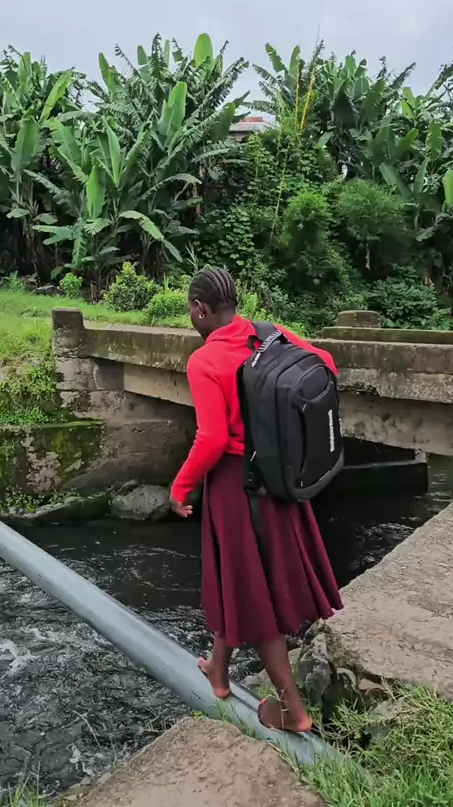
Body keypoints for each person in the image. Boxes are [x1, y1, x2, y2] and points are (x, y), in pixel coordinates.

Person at [169, 268, 342, 733]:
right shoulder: (269, 334)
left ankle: (293, 712)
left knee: (257, 598)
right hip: (279, 480)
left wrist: (180, 487)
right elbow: (325, 364)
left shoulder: (204, 361)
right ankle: (218, 672)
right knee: (237, 579)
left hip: (236, 487)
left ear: (200, 309)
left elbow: (211, 439)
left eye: (191, 310)